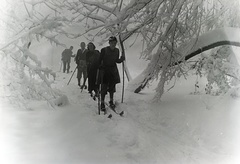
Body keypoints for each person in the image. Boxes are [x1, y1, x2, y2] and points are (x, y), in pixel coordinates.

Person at [99, 36, 125, 111]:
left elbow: (116, 60)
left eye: (114, 43)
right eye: (112, 43)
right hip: (105, 70)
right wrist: (100, 66)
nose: (113, 44)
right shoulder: (104, 50)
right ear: (109, 43)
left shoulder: (117, 51)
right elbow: (99, 60)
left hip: (113, 70)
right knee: (104, 87)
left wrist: (121, 59)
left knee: (112, 87)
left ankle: (111, 100)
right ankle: (102, 102)